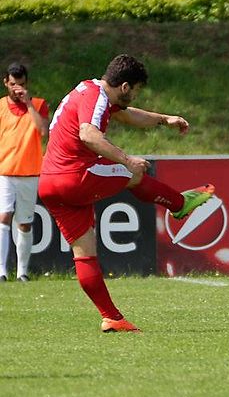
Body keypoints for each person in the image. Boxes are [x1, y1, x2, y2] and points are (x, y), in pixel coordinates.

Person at [38, 54, 215, 333]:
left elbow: (128, 114)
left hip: (49, 183)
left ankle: (112, 318)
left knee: (84, 254)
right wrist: (126, 159)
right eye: (136, 90)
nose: (135, 96)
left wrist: (164, 119)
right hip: (75, 176)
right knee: (134, 173)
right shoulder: (96, 97)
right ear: (125, 87)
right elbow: (88, 134)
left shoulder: (89, 91)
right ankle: (179, 204)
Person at [0, 63, 49, 282]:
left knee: (24, 223)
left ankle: (22, 272)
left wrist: (28, 103)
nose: (16, 89)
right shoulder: (1, 106)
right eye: (13, 84)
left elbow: (42, 131)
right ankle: (1, 271)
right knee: (3, 217)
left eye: (20, 84)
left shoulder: (38, 104)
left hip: (29, 173)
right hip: (4, 171)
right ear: (6, 83)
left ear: (26, 83)